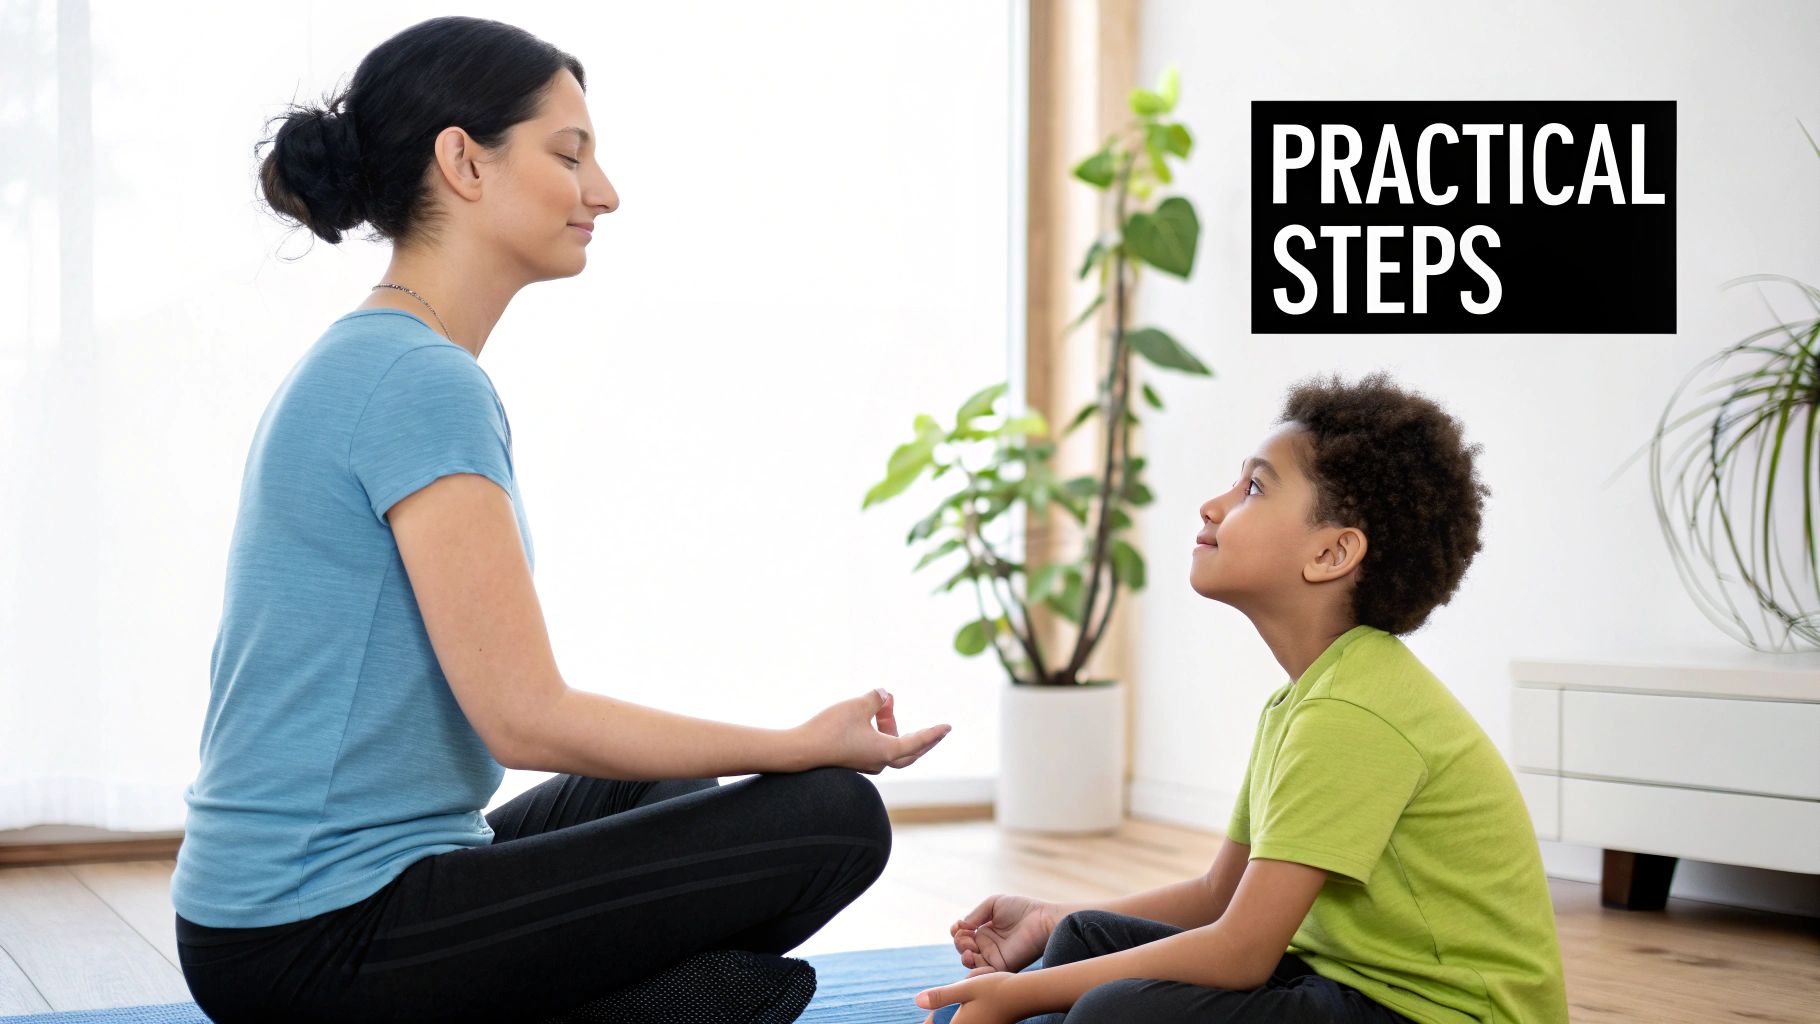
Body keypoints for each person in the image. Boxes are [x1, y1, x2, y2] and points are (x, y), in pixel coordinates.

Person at [169, 16, 950, 1024]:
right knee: (834, 818)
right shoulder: (417, 380)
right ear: (462, 160)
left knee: (666, 794)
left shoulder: (378, 356)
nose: (604, 191)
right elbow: (523, 714)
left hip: (283, 917)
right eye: (568, 153)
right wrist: (796, 742)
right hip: (311, 940)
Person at [915, 371, 1569, 1024]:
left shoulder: (1353, 714)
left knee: (1112, 1011)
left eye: (1253, 487)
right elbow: (1217, 894)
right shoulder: (1310, 699)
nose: (1213, 504)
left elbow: (1243, 952)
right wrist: (1055, 915)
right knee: (1083, 937)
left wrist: (1017, 995)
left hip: (1438, 1015)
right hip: (1347, 983)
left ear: (1333, 552)